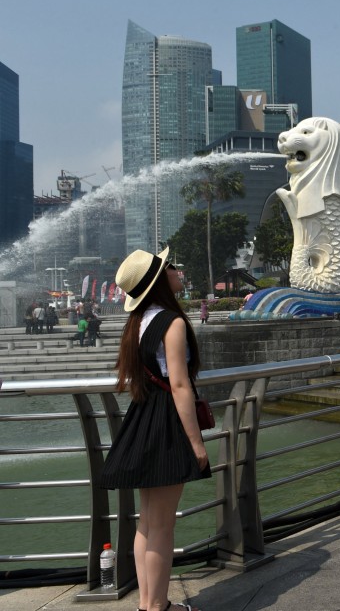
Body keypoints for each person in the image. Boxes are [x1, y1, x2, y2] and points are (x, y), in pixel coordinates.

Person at [96, 247, 209, 611]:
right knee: (161, 526)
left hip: (143, 418)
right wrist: (196, 444)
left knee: (148, 522)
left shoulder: (140, 321)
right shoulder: (172, 323)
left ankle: (148, 604)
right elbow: (179, 386)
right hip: (166, 424)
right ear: (161, 280)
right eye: (171, 267)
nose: (178, 270)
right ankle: (157, 607)